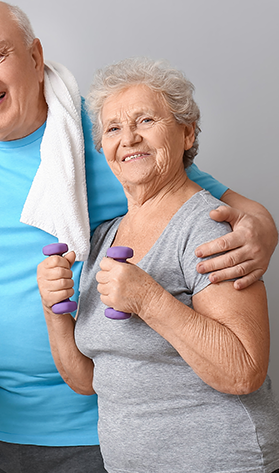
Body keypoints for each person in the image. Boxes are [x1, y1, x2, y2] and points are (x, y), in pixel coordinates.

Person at [0, 0, 278, 472]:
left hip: (103, 431)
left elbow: (226, 209)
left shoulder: (108, 139)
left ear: (35, 57)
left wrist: (261, 235)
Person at [37, 57, 279, 472]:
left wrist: (149, 300)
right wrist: (53, 309)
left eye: (145, 120)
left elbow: (243, 371)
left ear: (187, 133)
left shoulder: (210, 226)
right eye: (113, 128)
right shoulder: (103, 238)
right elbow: (86, 381)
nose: (128, 138)